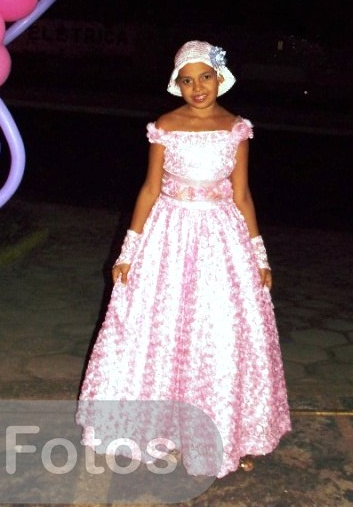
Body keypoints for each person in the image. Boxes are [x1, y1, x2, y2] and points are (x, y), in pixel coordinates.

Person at [76, 40, 291, 478]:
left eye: (204, 77)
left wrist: (259, 254)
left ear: (220, 79)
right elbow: (150, 190)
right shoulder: (165, 126)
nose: (197, 88)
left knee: (219, 335)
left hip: (222, 240)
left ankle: (228, 436)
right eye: (187, 80)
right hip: (168, 238)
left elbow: (242, 195)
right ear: (177, 84)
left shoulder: (236, 128)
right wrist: (129, 251)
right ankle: (159, 430)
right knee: (162, 331)